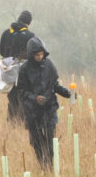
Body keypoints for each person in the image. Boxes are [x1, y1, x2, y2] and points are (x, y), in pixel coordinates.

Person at [14, 36, 72, 169]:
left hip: (49, 108)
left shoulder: (49, 65)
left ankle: (51, 167)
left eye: (41, 54)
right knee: (37, 142)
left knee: (51, 140)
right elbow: (21, 91)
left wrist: (67, 93)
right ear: (31, 54)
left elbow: (54, 85)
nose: (40, 57)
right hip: (32, 112)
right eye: (37, 55)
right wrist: (35, 98)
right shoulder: (24, 69)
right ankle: (43, 166)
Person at [0, 11, 34, 125]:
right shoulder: (30, 36)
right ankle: (22, 124)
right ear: (28, 23)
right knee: (23, 98)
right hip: (23, 72)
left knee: (12, 97)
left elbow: (1, 51)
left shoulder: (6, 33)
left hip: (8, 71)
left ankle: (11, 124)